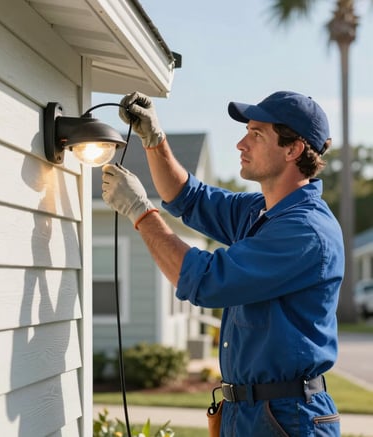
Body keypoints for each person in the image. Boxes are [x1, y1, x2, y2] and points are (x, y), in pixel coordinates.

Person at [102, 90, 344, 436]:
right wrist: (154, 139)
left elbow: (207, 281)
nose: (241, 144)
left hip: (288, 418)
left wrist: (140, 212)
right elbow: (189, 197)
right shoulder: (260, 213)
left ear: (293, 149)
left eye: (256, 134)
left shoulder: (304, 230)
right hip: (246, 412)